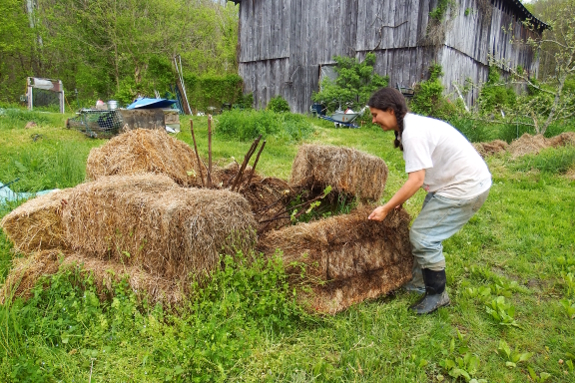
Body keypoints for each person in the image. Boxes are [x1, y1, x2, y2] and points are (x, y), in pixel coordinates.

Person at [367, 88, 491, 315]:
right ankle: (417, 284)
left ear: (391, 111)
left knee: (423, 237)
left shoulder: (412, 133)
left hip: (464, 187)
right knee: (424, 231)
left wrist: (385, 208)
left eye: (375, 114)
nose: (373, 120)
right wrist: (396, 201)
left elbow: (416, 180)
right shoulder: (409, 126)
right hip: (454, 183)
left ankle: (437, 295)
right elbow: (420, 176)